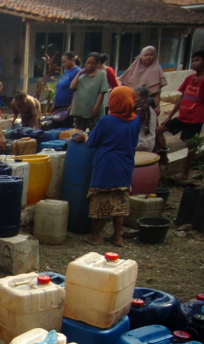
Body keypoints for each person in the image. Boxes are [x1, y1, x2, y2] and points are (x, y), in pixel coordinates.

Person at [73, 87, 140, 247]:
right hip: (125, 167)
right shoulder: (136, 120)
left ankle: (96, 237)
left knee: (99, 200)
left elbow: (92, 143)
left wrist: (85, 136)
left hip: (106, 166)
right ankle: (117, 238)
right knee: (120, 203)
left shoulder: (106, 120)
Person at [157, 50, 204, 179]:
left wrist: (200, 111)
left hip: (195, 119)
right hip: (182, 116)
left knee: (191, 146)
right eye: (193, 60)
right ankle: (164, 155)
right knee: (158, 130)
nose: (194, 63)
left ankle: (185, 172)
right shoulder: (189, 78)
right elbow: (181, 99)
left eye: (197, 60)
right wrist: (169, 116)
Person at [120, 46, 168, 152]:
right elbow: (125, 85)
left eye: (151, 55)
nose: (148, 57)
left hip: (148, 103)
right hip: (133, 103)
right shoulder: (134, 68)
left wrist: (157, 106)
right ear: (141, 56)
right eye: (146, 55)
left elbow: (156, 91)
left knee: (152, 128)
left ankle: (163, 150)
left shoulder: (156, 69)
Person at [69, 52, 109, 130]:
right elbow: (72, 86)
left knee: (94, 133)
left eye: (92, 63)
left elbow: (102, 92)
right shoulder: (82, 77)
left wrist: (96, 107)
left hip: (93, 111)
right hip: (80, 111)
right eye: (88, 63)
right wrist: (80, 72)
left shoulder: (102, 74)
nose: (89, 65)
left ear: (97, 64)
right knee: (78, 133)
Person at [52, 52, 81, 128]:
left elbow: (77, 90)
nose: (63, 64)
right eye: (63, 62)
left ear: (72, 60)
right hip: (58, 105)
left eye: (65, 62)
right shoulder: (66, 72)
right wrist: (54, 104)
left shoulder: (77, 72)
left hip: (67, 106)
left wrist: (72, 105)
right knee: (55, 127)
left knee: (66, 128)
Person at [134, 86, 157, 152]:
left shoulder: (141, 109)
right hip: (149, 143)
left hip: (141, 144)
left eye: (135, 97)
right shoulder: (148, 107)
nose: (132, 99)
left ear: (144, 97)